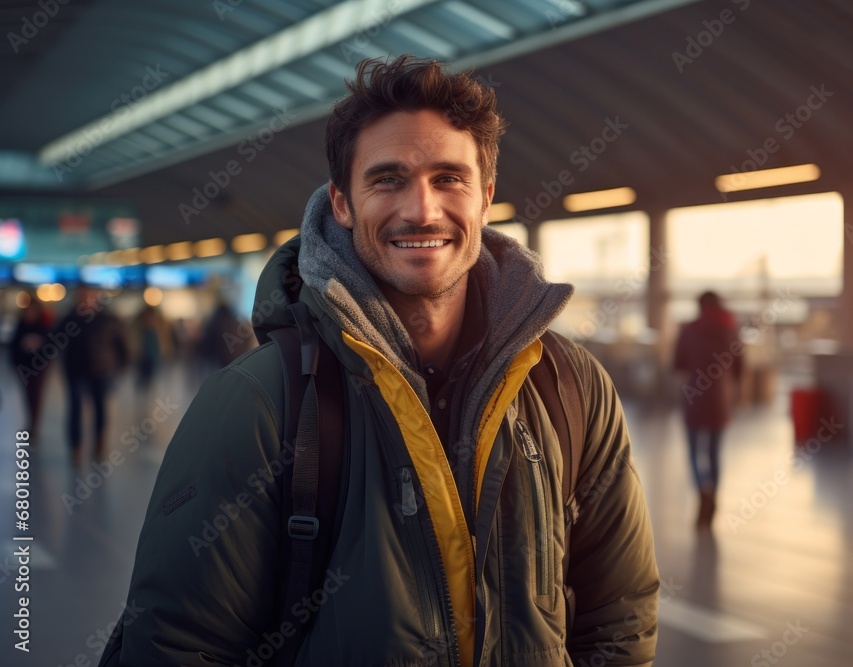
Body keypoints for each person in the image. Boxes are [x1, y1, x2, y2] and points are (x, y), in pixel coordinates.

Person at [108, 56, 659, 666]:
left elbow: (621, 616)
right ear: (341, 204)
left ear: (486, 198)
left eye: (449, 178)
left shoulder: (570, 386)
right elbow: (179, 646)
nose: (421, 210)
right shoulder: (261, 403)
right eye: (388, 179)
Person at [673, 290, 743, 529]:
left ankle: (702, 490)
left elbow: (677, 364)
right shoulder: (731, 330)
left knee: (694, 452)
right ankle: (713, 495)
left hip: (694, 398)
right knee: (714, 453)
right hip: (721, 401)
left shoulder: (690, 330)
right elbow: (741, 368)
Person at [59, 286, 129, 465]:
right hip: (75, 370)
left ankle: (99, 443)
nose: (87, 301)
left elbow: (121, 342)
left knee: (100, 408)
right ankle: (76, 447)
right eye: (83, 297)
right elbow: (55, 339)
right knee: (75, 408)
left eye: (90, 297)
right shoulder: (69, 319)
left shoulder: (108, 319)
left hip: (100, 370)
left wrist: (122, 363)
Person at [9, 296, 53, 435]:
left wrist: (39, 343)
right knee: (26, 396)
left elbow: (52, 346)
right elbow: (13, 346)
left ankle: (34, 425)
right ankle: (29, 422)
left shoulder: (43, 327)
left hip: (39, 368)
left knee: (36, 396)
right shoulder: (21, 325)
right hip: (23, 366)